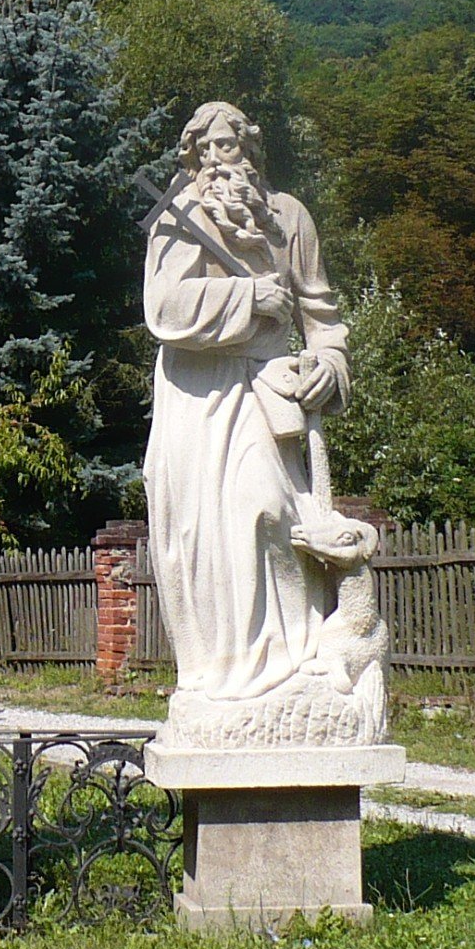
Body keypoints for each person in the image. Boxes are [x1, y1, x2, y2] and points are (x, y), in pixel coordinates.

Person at [140, 102, 354, 722]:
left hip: (266, 391)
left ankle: (286, 676)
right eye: (203, 150)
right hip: (197, 400)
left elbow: (324, 319)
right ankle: (217, 682)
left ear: (251, 150)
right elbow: (165, 308)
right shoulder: (178, 218)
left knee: (266, 515)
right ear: (189, 159)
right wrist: (247, 295)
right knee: (199, 538)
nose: (216, 161)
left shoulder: (288, 219)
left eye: (227, 146)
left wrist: (329, 366)